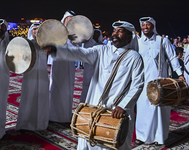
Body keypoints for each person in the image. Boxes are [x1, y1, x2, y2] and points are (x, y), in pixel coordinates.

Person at [46, 20, 144, 150]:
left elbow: (138, 85)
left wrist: (123, 106)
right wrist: (56, 49)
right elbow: (80, 53)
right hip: (95, 105)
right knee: (88, 141)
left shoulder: (134, 57)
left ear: (129, 37)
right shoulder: (101, 50)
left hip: (117, 110)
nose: (115, 33)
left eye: (120, 31)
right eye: (114, 30)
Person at [135, 17, 184, 146]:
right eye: (143, 25)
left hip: (160, 83)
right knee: (143, 109)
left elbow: (172, 57)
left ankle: (159, 137)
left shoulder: (162, 41)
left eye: (148, 24)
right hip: (143, 82)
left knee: (160, 110)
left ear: (153, 26)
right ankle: (142, 136)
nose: (145, 27)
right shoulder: (138, 43)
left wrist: (179, 74)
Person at [16, 23, 49, 131]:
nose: (36, 31)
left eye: (39, 29)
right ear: (31, 31)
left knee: (42, 98)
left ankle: (41, 123)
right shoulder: (26, 44)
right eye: (34, 29)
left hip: (43, 76)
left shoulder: (46, 45)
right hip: (29, 76)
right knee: (28, 98)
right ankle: (25, 123)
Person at [49, 10, 77, 123]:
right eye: (69, 19)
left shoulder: (75, 33)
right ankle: (53, 115)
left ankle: (65, 115)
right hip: (59, 64)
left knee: (67, 88)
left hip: (69, 64)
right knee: (56, 87)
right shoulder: (57, 31)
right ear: (65, 19)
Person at [80, 27, 103, 103]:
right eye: (95, 33)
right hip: (88, 66)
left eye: (98, 33)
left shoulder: (101, 45)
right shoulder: (88, 43)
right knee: (87, 85)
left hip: (97, 68)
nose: (96, 34)